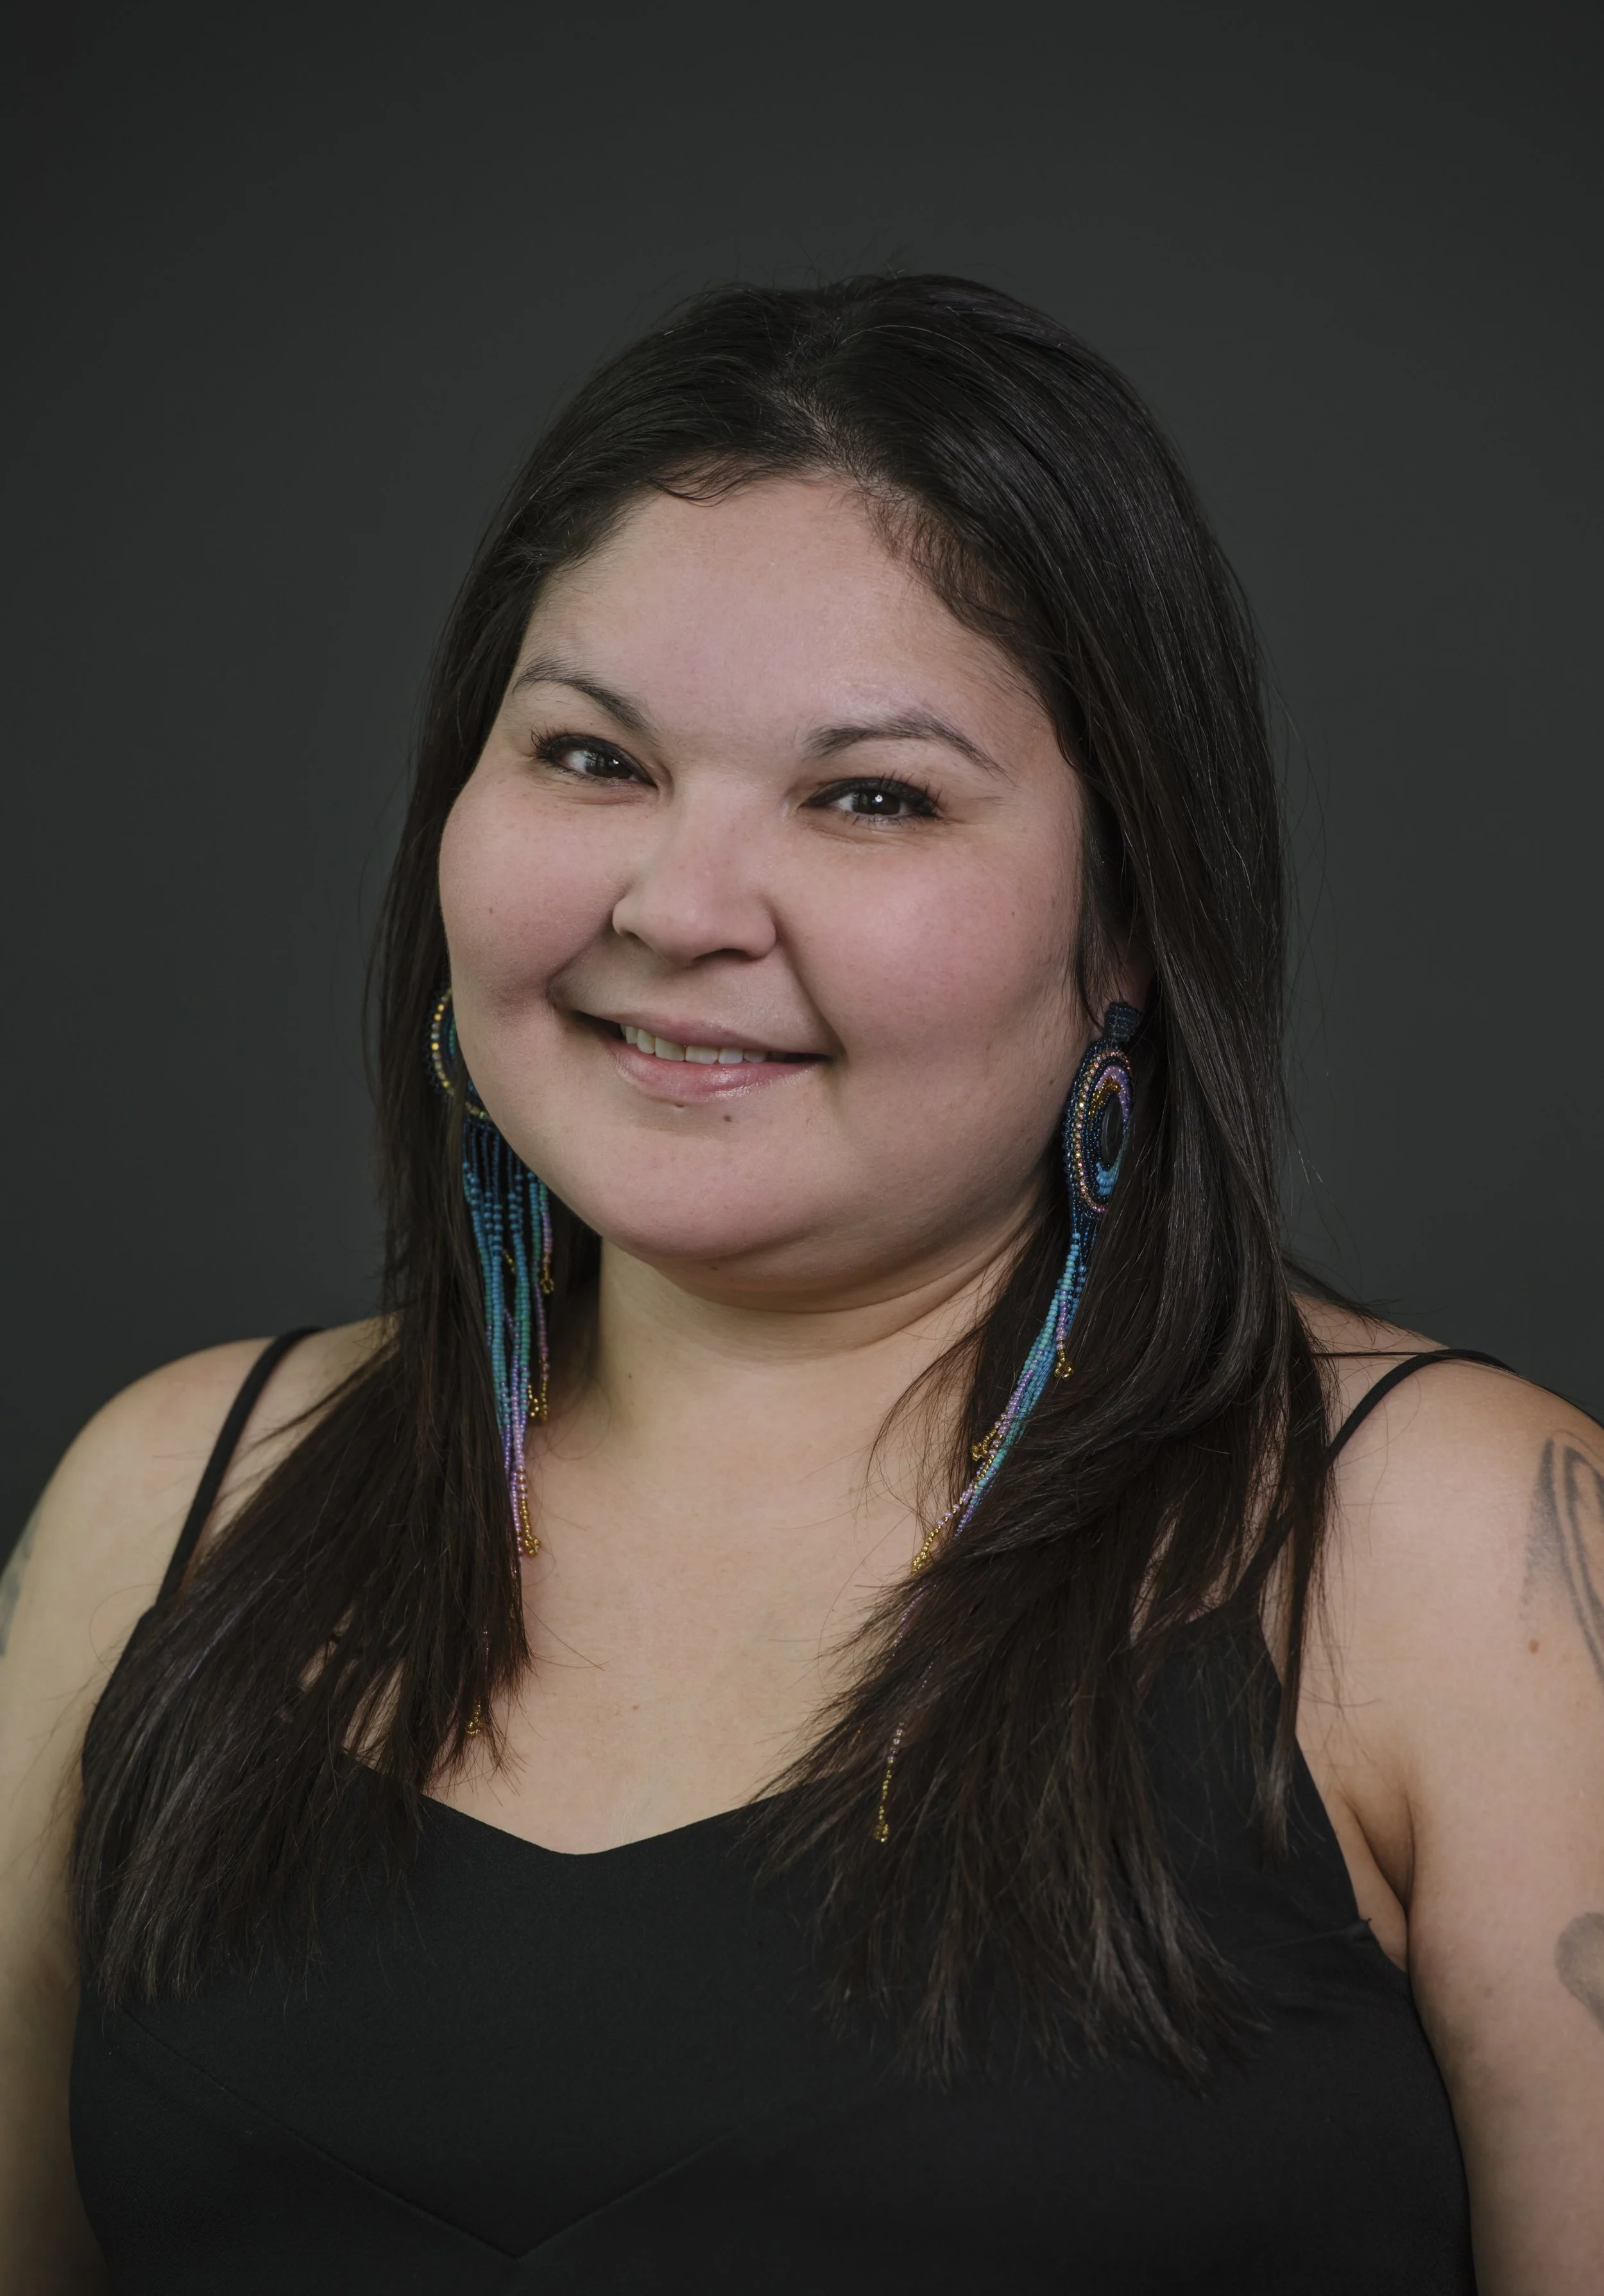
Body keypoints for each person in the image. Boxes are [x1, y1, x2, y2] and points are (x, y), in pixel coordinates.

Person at [2, 275, 1601, 2295]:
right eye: (590, 757)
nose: (675, 908)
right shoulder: (173, 1499)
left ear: (1132, 925)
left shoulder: (1457, 1556)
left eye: (871, 798)